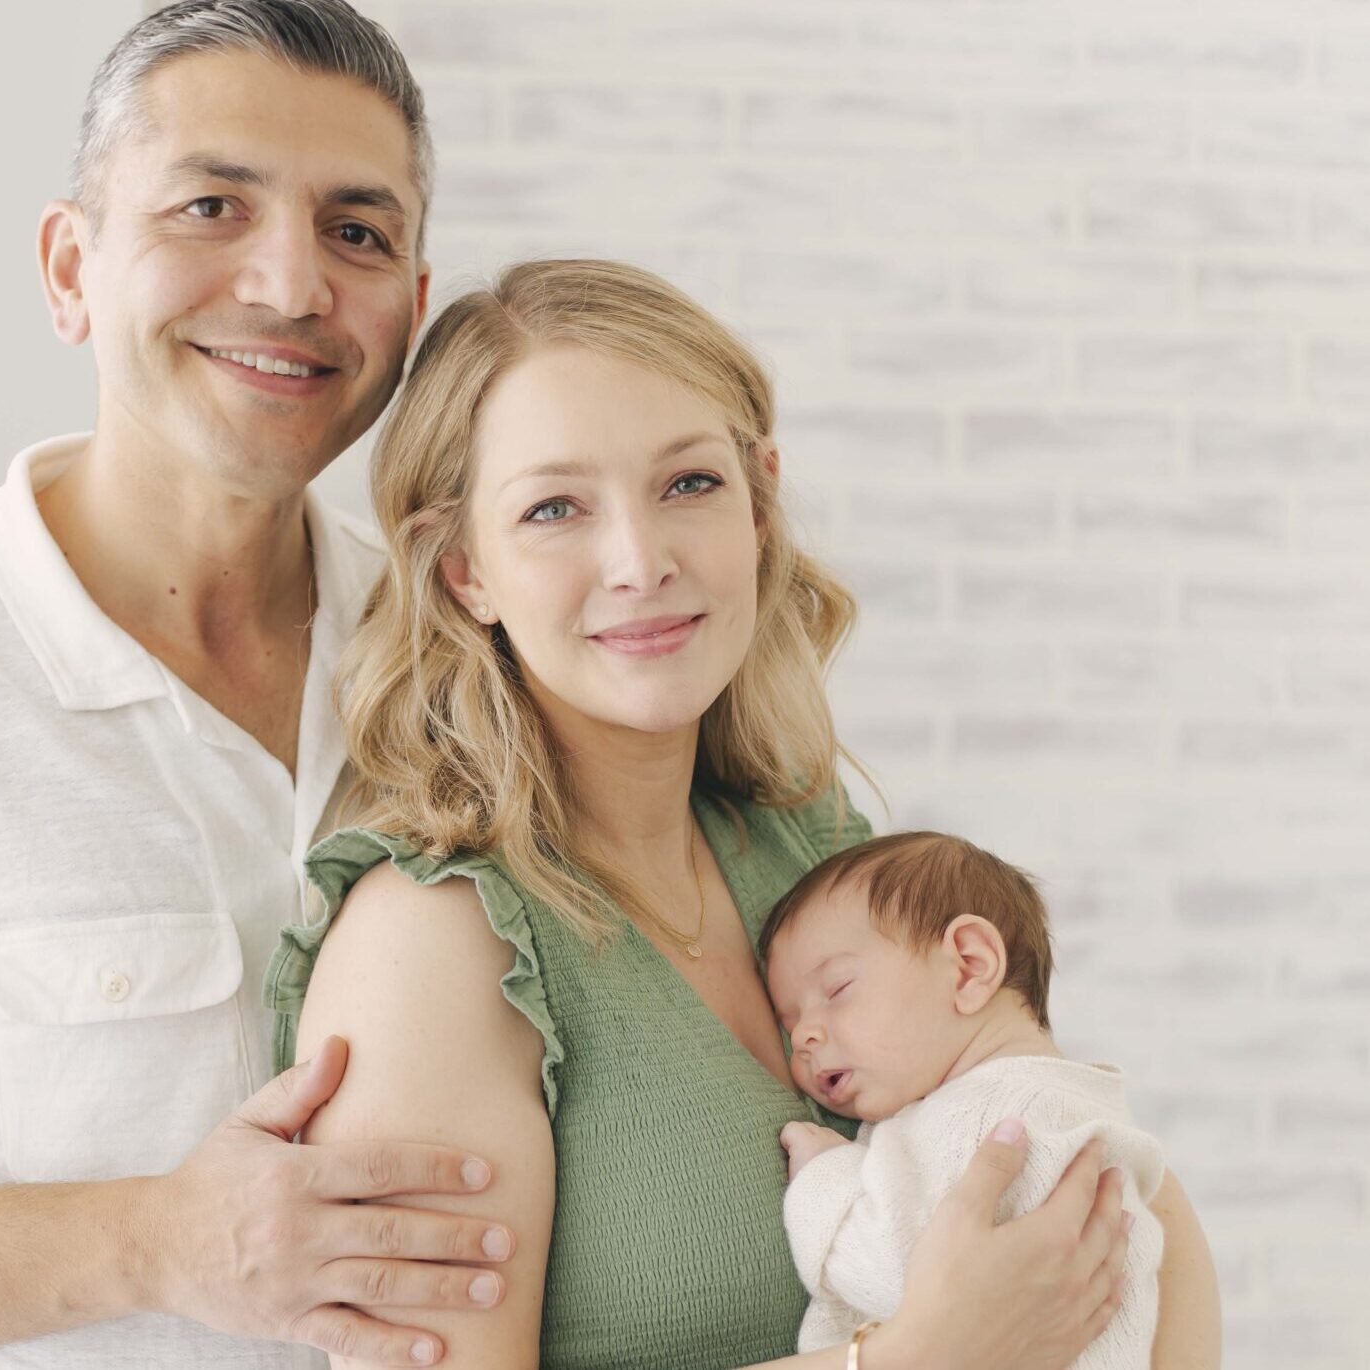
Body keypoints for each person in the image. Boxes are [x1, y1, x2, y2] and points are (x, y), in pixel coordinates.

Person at [0, 4, 519, 1367]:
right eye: (209, 206)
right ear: (72, 265)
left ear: (412, 314)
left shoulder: (462, 661)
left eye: (357, 231)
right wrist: (153, 1241)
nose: (291, 284)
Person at [267, 258, 1221, 1368]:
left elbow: (1112, 1204)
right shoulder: (429, 945)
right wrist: (917, 1357)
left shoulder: (799, 844)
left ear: (759, 499)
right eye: (555, 508)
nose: (640, 561)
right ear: (462, 570)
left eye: (688, 485)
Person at [763, 831, 1167, 1365]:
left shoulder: (981, 1121)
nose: (804, 1038)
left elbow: (913, 1287)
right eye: (788, 1023)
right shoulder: (1073, 1103)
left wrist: (825, 1176)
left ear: (970, 966)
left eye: (836, 989)